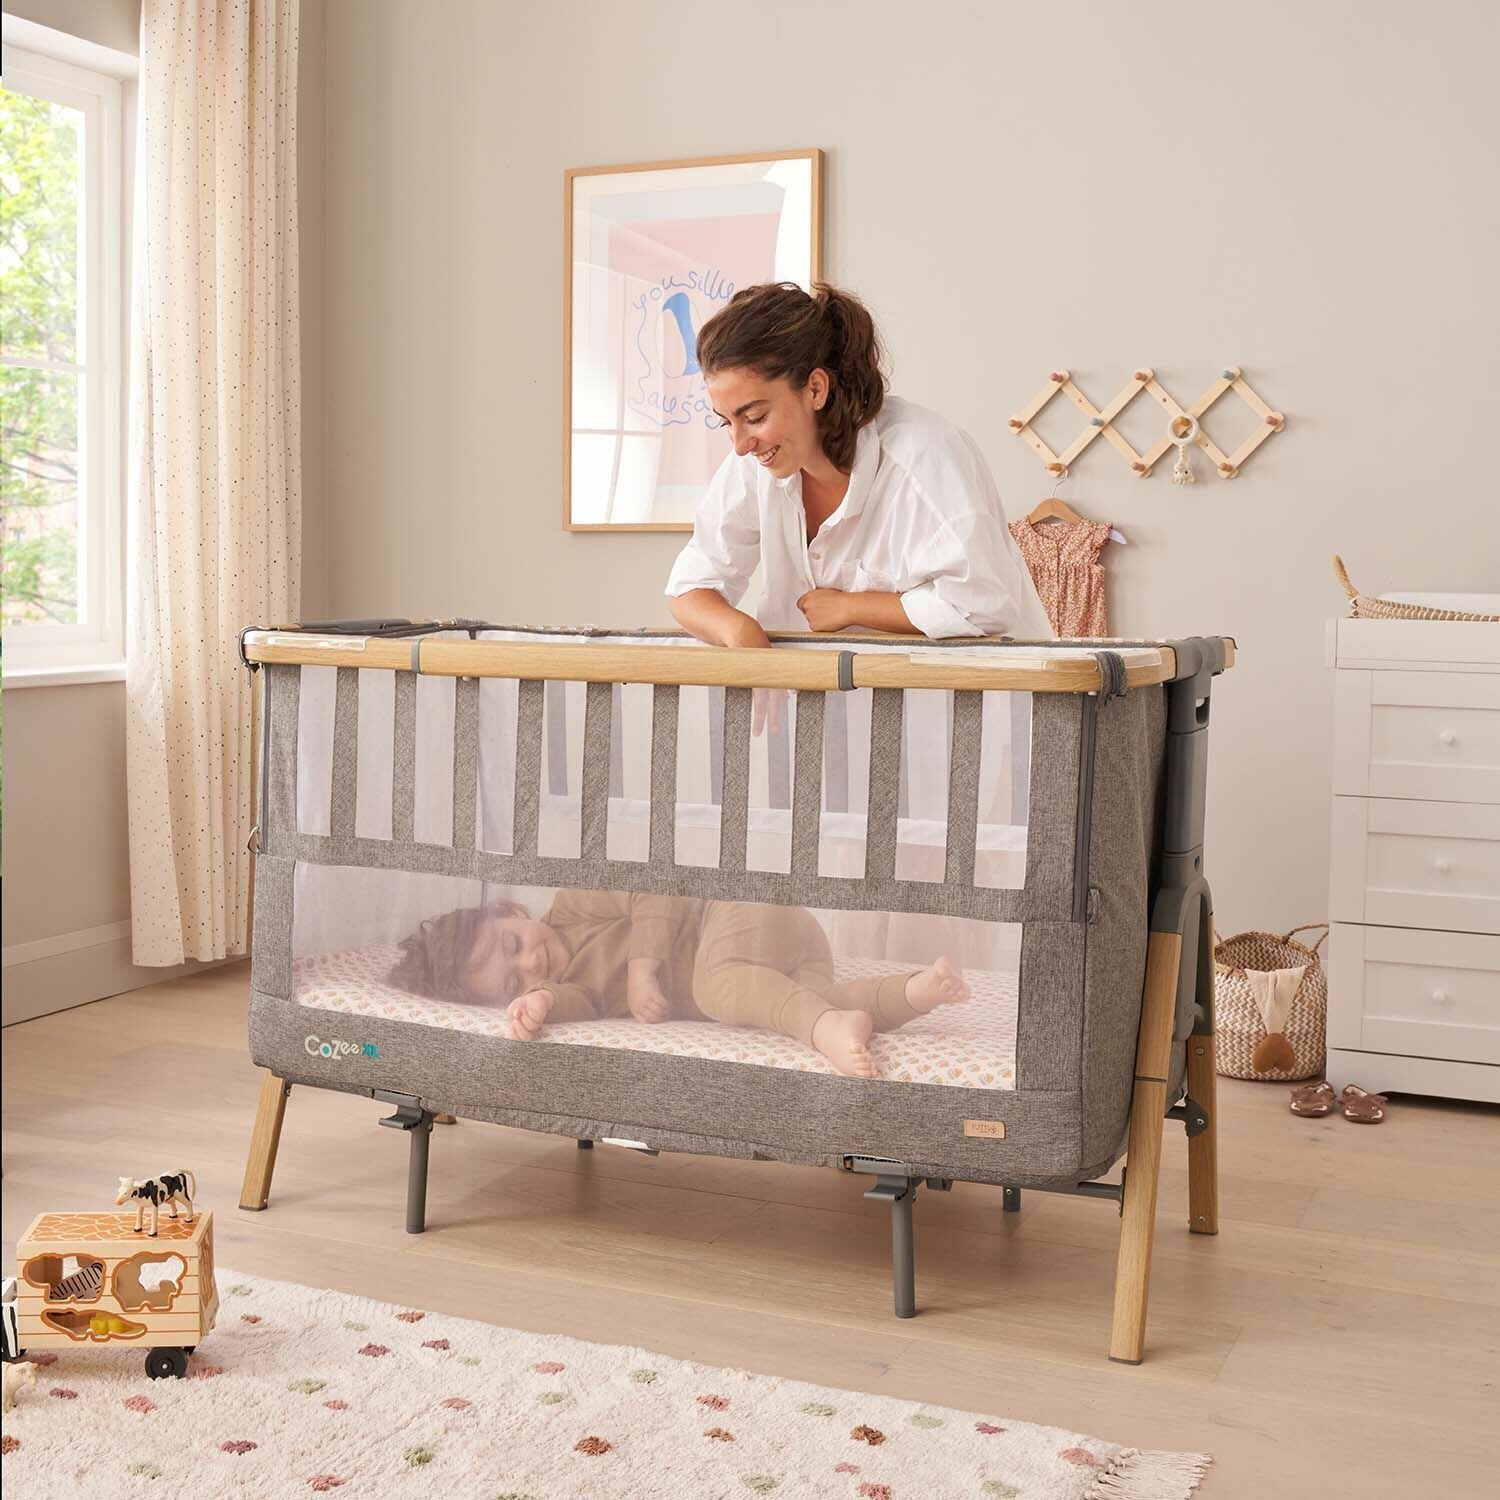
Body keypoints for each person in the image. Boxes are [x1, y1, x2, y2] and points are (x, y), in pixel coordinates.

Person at [665, 281, 1052, 652]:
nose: (739, 445)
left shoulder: (924, 456)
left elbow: (985, 603)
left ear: (815, 389)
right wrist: (740, 632)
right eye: (726, 422)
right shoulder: (760, 461)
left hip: (980, 690)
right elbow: (690, 587)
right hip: (827, 691)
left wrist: (852, 607)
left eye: (755, 417)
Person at [388, 890, 970, 1080]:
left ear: (514, 911)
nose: (532, 960)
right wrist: (539, 1002)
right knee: (774, 1003)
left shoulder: (573, 904)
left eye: (514, 943)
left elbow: (656, 889)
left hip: (740, 913)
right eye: (514, 980)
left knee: (718, 989)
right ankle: (914, 992)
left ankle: (824, 1029)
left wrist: (641, 969)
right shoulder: (572, 987)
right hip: (785, 964)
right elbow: (576, 1003)